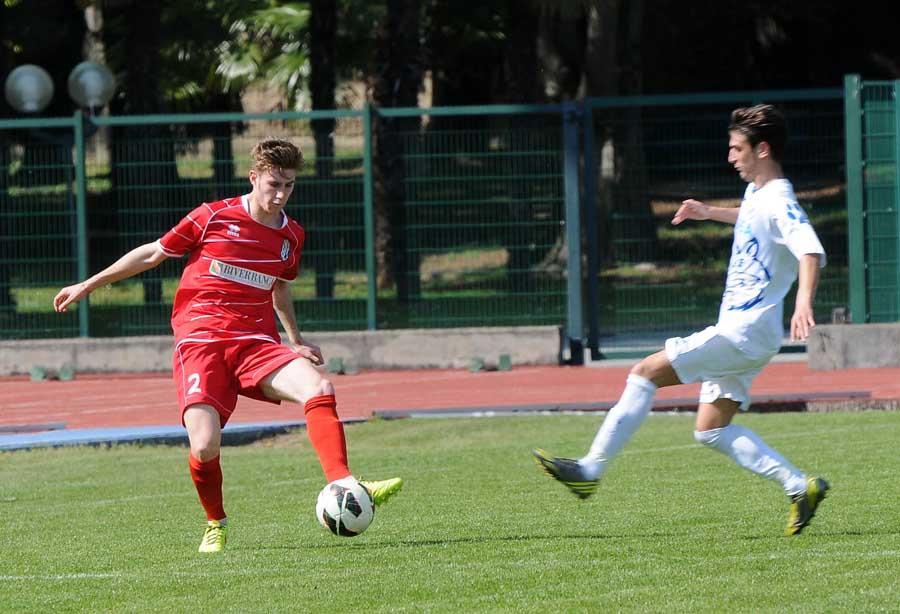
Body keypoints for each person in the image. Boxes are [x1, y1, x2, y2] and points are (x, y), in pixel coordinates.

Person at [53, 138, 402, 553]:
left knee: (319, 388)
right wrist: (88, 284)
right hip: (201, 342)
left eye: (289, 185)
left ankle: (344, 482)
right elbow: (152, 254)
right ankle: (215, 522)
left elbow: (280, 288)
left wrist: (295, 339)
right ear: (254, 177)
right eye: (273, 183)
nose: (280, 194)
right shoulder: (212, 217)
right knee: (203, 444)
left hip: (256, 343)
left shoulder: (290, 236)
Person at [533, 104, 829, 536]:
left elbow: (810, 251)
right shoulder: (758, 195)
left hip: (741, 332)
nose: (730, 157)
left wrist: (804, 302)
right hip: (754, 336)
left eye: (736, 149)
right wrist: (709, 212)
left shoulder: (780, 199)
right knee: (710, 430)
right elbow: (754, 220)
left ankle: (589, 470)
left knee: (644, 373)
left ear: (762, 149)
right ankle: (799, 485)